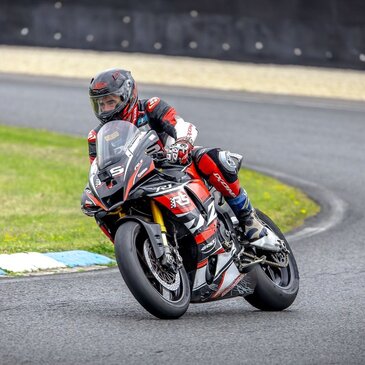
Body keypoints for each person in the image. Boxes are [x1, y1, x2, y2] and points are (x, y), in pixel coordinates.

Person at [81, 68, 283, 252]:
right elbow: (98, 168)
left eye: (111, 101)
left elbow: (180, 125)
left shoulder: (151, 107)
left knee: (212, 158)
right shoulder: (97, 136)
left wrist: (182, 143)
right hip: (137, 181)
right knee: (102, 210)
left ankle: (249, 219)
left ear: (126, 96)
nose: (105, 109)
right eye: (101, 104)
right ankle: (136, 250)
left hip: (174, 165)